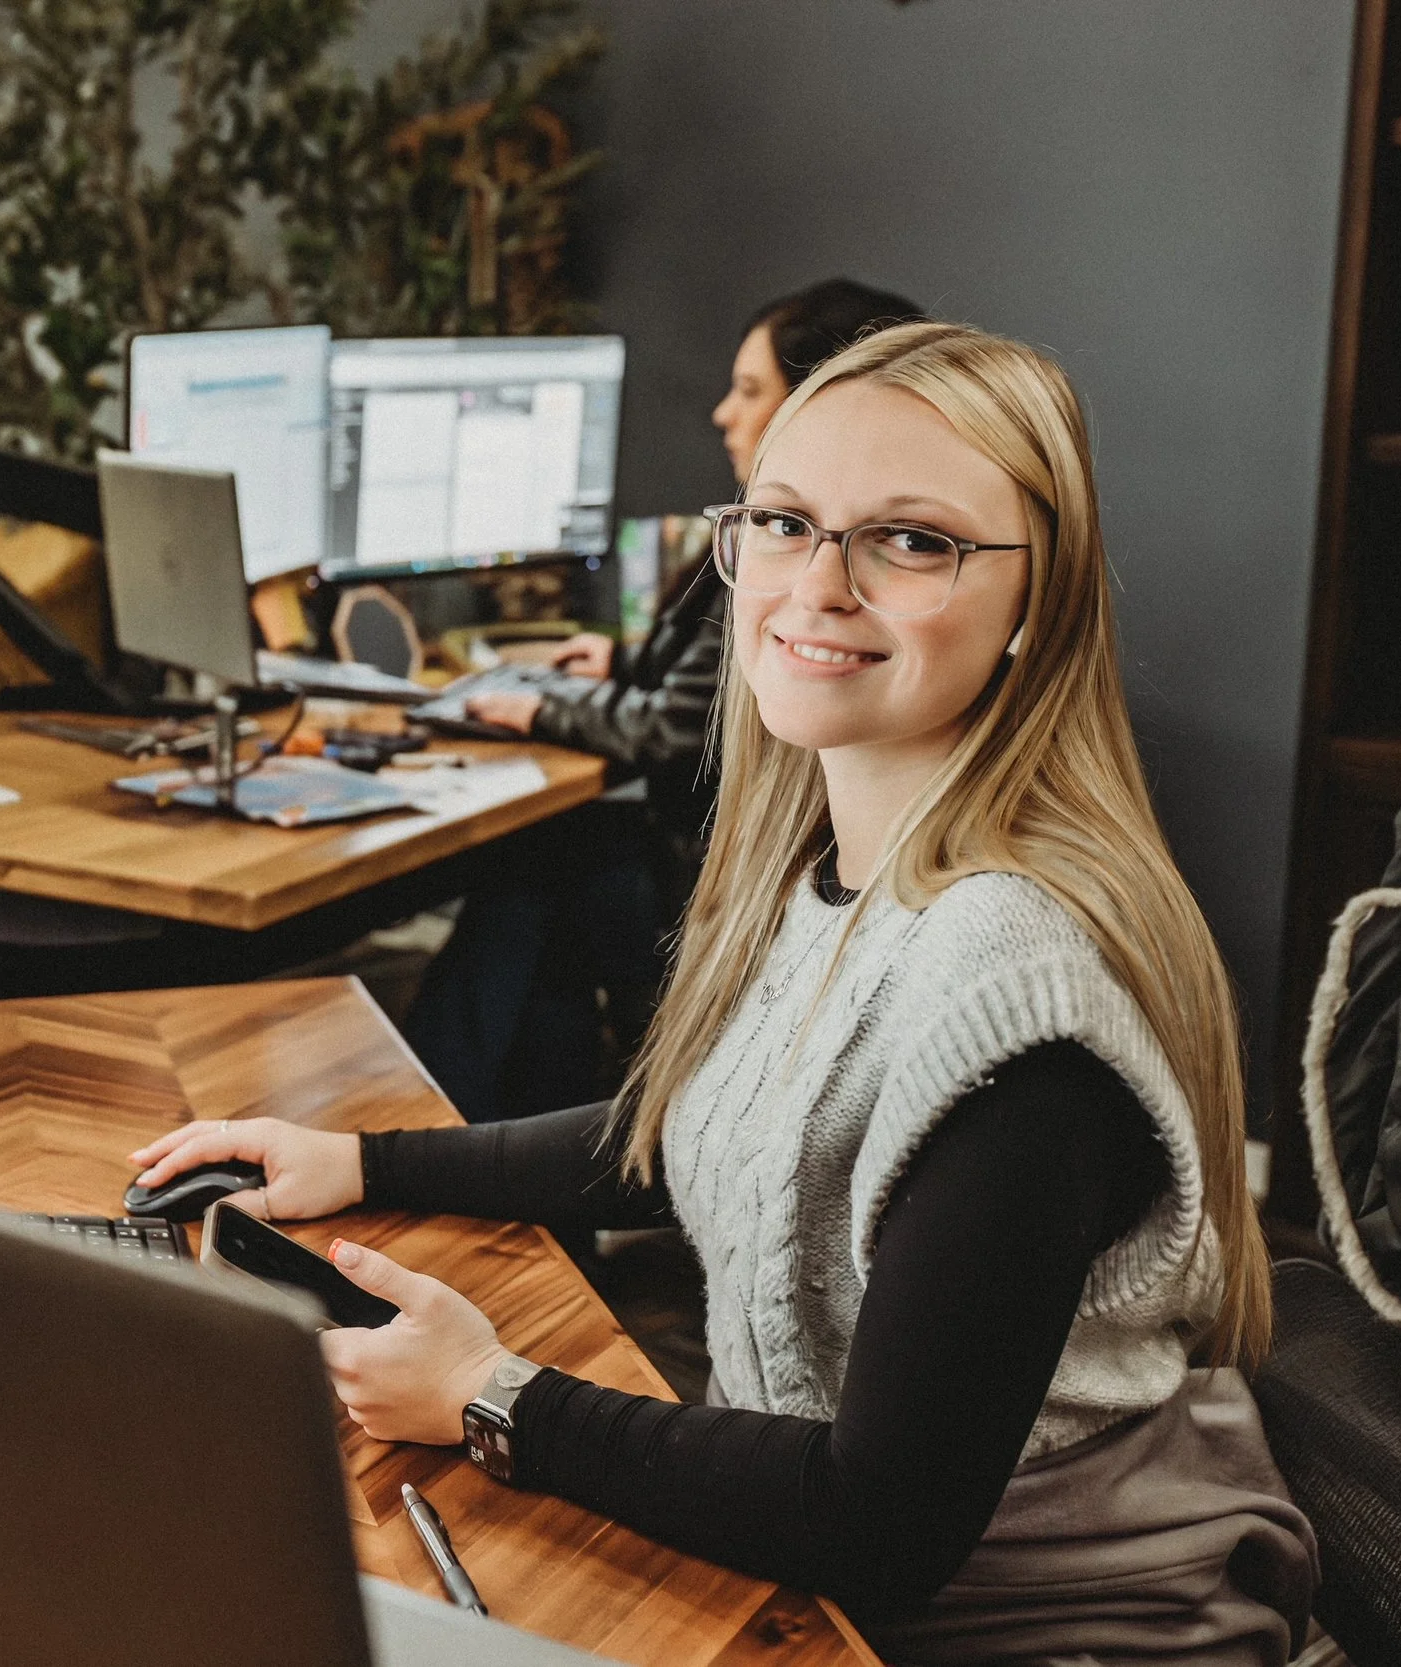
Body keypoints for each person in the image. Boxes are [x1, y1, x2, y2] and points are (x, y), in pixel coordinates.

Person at [133, 321, 1317, 1661]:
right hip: (822, 1566)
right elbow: (717, 1133)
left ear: (1038, 600)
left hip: (1033, 1624)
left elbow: (884, 1523)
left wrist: (490, 1390)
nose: (819, 583)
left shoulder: (1015, 996)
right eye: (785, 521)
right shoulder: (835, 861)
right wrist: (359, 1156)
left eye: (913, 539)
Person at [405, 278, 924, 1124]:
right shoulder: (775, 539)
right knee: (545, 950)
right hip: (748, 872)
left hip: (725, 885)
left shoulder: (792, 559)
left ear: (820, 402)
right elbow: (717, 690)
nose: (724, 412)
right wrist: (621, 659)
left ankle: (435, 1123)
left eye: (750, 390)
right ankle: (529, 1166)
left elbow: (688, 731)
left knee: (534, 875)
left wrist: (538, 708)